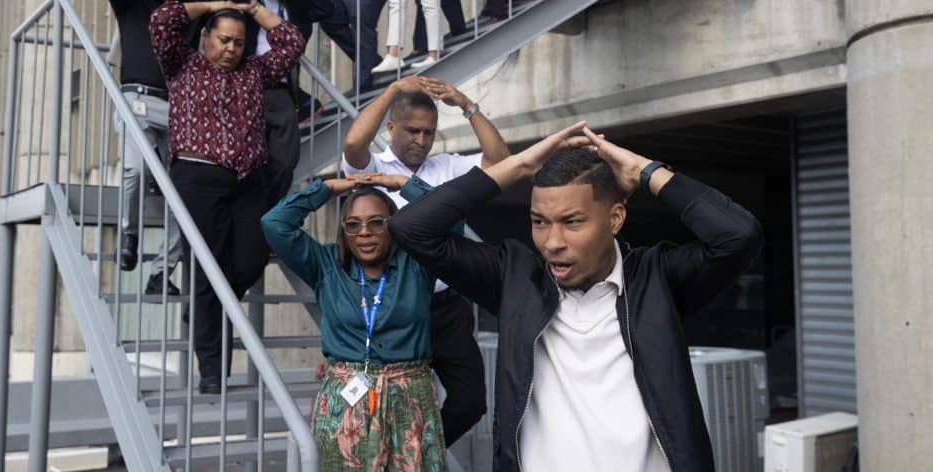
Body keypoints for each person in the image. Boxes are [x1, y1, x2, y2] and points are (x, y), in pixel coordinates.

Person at [389, 122, 765, 471]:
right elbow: (411, 227)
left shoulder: (658, 280)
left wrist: (644, 171)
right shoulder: (514, 279)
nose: (553, 243)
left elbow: (738, 235)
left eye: (572, 222)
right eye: (539, 222)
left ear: (615, 219)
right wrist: (518, 165)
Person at [148, 0, 305, 394]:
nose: (230, 49)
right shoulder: (182, 64)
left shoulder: (255, 71)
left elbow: (290, 42)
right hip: (197, 176)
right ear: (205, 38)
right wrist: (214, 3)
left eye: (237, 42)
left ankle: (206, 311)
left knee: (252, 257)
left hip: (248, 179)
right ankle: (212, 371)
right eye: (223, 40)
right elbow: (163, 20)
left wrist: (254, 11)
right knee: (206, 269)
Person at [342, 75, 510, 447]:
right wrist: (391, 91)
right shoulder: (372, 168)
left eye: (429, 133)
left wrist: (466, 104)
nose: (421, 140)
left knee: (470, 402)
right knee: (387, 404)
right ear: (390, 128)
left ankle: (418, 458)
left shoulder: (448, 167)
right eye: (412, 131)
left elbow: (500, 161)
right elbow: (354, 142)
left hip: (447, 307)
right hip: (394, 307)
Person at [261, 173, 447, 470]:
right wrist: (328, 189)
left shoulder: (418, 263)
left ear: (393, 225)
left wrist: (402, 184)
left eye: (376, 222)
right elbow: (274, 224)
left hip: (410, 399)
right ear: (344, 230)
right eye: (353, 224)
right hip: (345, 401)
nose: (364, 232)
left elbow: (450, 219)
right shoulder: (325, 264)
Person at [104, 0, 222, 293]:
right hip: (135, 101)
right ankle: (129, 236)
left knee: (183, 190)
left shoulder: (190, 8)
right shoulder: (132, 1)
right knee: (135, 170)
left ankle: (161, 272)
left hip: (177, 107)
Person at [233, 0, 334, 222]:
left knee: (286, 159)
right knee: (249, 158)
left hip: (280, 86)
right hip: (246, 82)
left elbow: (324, 8)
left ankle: (269, 214)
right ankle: (250, 214)